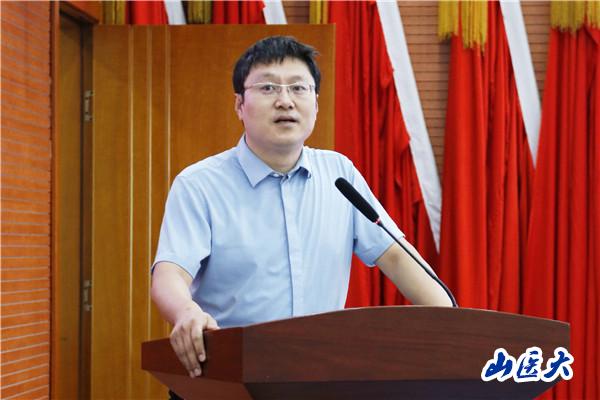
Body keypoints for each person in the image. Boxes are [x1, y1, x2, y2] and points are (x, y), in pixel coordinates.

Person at [151, 36, 452, 385]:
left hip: (318, 377)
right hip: (229, 378)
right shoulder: (200, 184)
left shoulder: (340, 174)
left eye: (298, 88)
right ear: (239, 105)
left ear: (316, 104)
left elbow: (396, 256)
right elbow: (170, 273)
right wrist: (186, 311)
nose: (285, 101)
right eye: (268, 88)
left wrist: (455, 325)